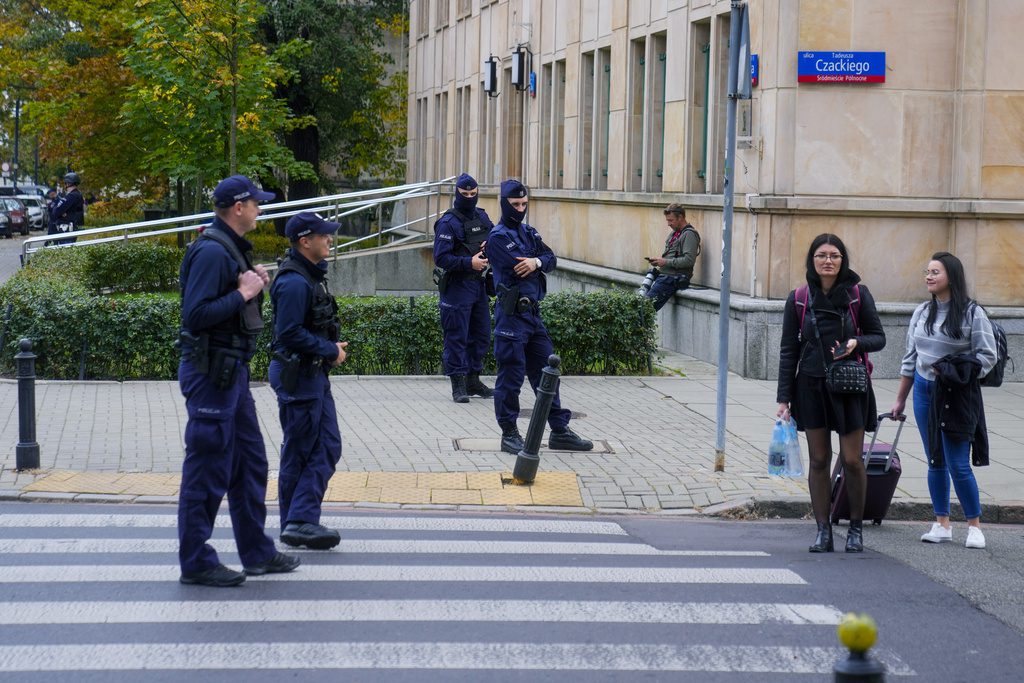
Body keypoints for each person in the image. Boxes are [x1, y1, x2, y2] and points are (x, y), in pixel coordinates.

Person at [176, 174, 300, 587]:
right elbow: (195, 315)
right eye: (257, 203)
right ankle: (195, 560)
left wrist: (253, 285)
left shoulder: (228, 248)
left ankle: (257, 553)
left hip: (231, 374)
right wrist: (244, 293)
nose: (262, 209)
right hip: (212, 373)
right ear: (239, 207)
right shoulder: (212, 251)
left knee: (249, 463)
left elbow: (227, 304)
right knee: (208, 467)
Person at [776, 233, 885, 553]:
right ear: (812, 260)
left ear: (843, 260)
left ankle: (855, 530)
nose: (828, 260)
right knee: (819, 459)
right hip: (810, 386)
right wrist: (783, 399)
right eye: (822, 255)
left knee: (852, 460)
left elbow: (878, 337)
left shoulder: (857, 295)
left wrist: (856, 343)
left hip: (850, 386)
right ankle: (822, 530)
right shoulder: (798, 298)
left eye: (834, 255)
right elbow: (788, 351)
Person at [889, 252, 996, 549]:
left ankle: (974, 526)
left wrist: (957, 371)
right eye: (927, 271)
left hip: (956, 395)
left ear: (952, 276)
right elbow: (910, 359)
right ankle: (942, 524)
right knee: (934, 459)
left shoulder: (972, 313)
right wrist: (900, 400)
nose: (929, 276)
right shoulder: (922, 312)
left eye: (935, 271)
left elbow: (987, 356)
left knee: (958, 463)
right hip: (924, 391)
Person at [485, 179, 593, 454]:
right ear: (504, 204)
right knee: (510, 378)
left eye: (524, 204)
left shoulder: (528, 232)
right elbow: (520, 264)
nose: (520, 209)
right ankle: (509, 433)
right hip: (511, 317)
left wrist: (537, 261)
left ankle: (559, 431)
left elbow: (550, 258)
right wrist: (535, 262)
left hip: (532, 315)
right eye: (515, 204)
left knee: (548, 372)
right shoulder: (498, 237)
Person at [269, 212, 349, 550]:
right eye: (324, 235)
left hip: (311, 374)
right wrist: (329, 349)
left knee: (326, 445)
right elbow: (288, 333)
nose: (329, 240)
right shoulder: (293, 282)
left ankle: (297, 521)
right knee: (300, 452)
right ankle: (299, 522)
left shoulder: (309, 276)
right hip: (300, 376)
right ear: (305, 240)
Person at [433, 173, 495, 403]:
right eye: (464, 194)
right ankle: (457, 384)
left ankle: (473, 380)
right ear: (457, 194)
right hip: (457, 287)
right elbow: (441, 258)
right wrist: (469, 262)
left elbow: (494, 235)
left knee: (481, 335)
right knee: (457, 336)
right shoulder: (448, 222)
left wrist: (491, 243)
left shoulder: (481, 216)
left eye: (473, 193)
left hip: (478, 285)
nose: (469, 197)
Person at [643, 203, 701, 311]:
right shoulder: (674, 233)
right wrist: (658, 261)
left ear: (680, 217)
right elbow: (671, 256)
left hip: (673, 278)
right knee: (640, 304)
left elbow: (689, 261)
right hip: (664, 276)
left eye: (671, 220)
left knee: (644, 309)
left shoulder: (689, 234)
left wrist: (665, 262)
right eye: (667, 220)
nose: (668, 224)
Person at [47, 172, 85, 245]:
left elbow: (56, 211)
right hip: (71, 227)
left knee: (64, 248)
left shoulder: (71, 196)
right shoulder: (78, 194)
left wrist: (62, 213)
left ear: (68, 183)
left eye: (65, 183)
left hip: (67, 229)